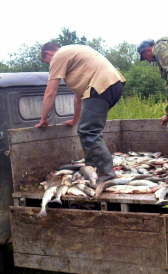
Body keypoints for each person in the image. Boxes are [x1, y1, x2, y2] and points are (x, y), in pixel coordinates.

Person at [35, 42, 125, 183]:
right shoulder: (74, 59)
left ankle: (106, 174)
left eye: (48, 62)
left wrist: (43, 119)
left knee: (89, 131)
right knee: (86, 129)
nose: (50, 65)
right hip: (114, 84)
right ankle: (93, 169)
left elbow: (50, 92)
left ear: (48, 53)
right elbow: (79, 98)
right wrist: (75, 120)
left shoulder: (59, 56)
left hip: (101, 84)